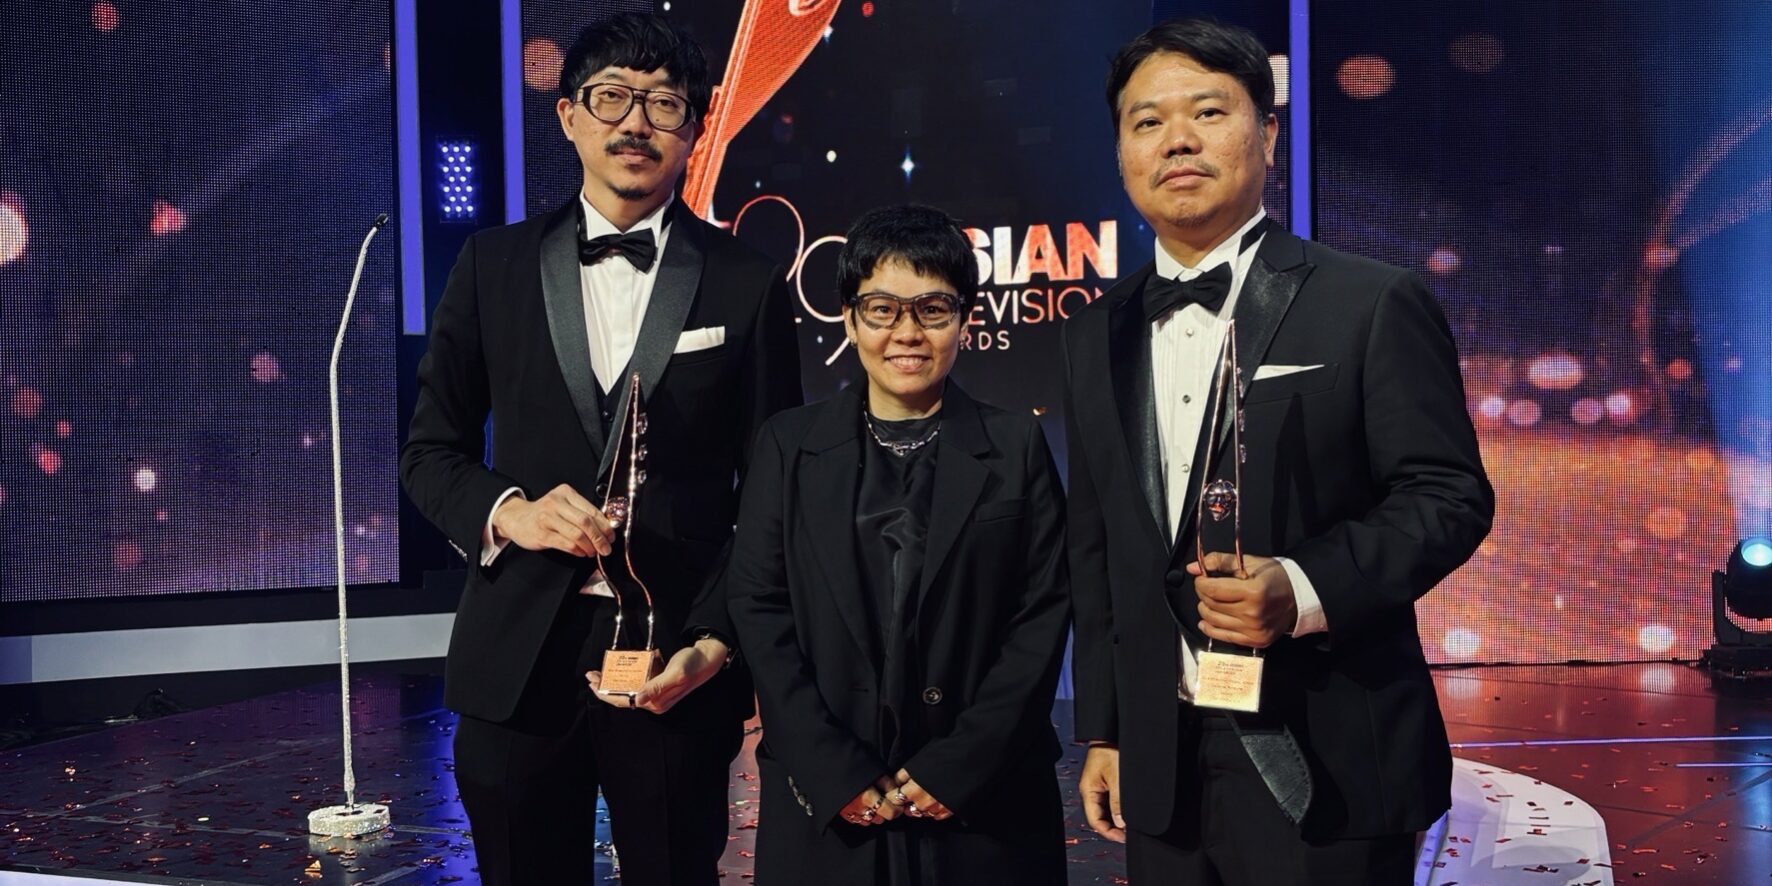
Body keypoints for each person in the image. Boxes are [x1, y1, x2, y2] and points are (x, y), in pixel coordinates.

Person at [1063, 17, 1495, 885]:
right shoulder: (1092, 334)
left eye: (1207, 112)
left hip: (1329, 754)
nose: (1177, 139)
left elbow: (1447, 496)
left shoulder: (1370, 301)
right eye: (1147, 121)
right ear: (1121, 153)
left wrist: (1300, 590)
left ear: (1265, 135)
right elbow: (1099, 544)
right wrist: (1105, 729)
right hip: (1162, 765)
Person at [398, 13, 801, 886]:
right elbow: (430, 453)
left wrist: (715, 643)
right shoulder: (492, 266)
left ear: (696, 128)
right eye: (612, 97)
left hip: (675, 664)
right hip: (516, 663)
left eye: (664, 103)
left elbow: (774, 495)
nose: (636, 123)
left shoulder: (748, 281)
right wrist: (511, 513)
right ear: (570, 116)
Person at [727, 204, 1071, 885]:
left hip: (984, 805)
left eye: (932, 310)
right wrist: (830, 767)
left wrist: (961, 765)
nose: (906, 333)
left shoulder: (1015, 446)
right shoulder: (787, 446)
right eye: (882, 310)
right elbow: (759, 609)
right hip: (828, 805)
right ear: (850, 319)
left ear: (965, 320)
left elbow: (1042, 616)